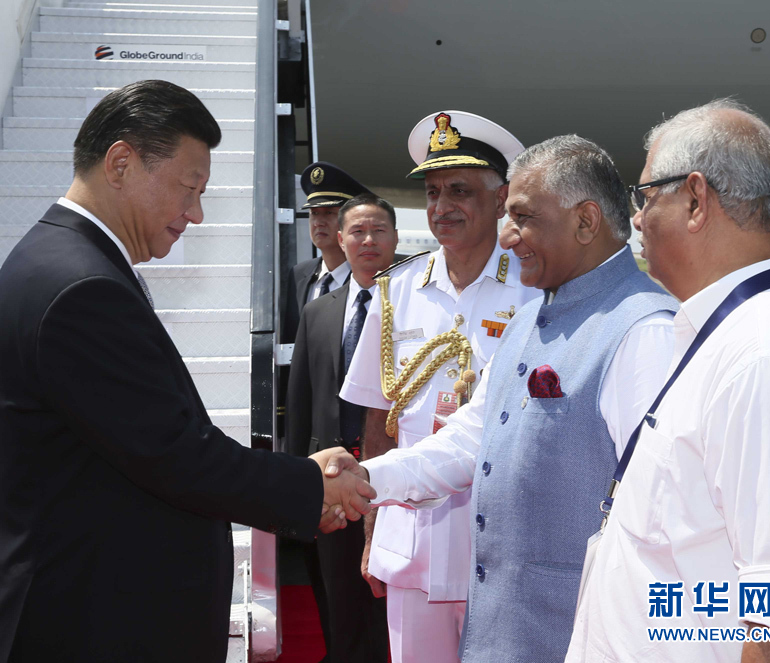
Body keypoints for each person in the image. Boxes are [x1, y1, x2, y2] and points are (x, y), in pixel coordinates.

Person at [0, 80, 373, 663]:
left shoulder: (70, 262)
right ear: (121, 163)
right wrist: (309, 484)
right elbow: (175, 456)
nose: (197, 214)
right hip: (81, 629)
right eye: (189, 188)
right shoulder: (82, 286)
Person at [349, 135, 679, 662]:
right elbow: (470, 439)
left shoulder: (645, 332)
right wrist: (367, 480)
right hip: (505, 625)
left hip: (581, 631)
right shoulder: (528, 318)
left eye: (523, 217)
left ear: (586, 220)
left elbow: (666, 520)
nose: (507, 237)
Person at [566, 100, 770, 662]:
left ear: (696, 199)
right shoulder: (733, 333)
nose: (638, 220)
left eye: (646, 197)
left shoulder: (764, 354)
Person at [339, 110, 538, 663]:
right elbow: (378, 422)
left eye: (459, 191)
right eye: (431, 193)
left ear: (501, 200)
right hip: (413, 540)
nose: (441, 207)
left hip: (502, 542)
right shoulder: (396, 291)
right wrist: (372, 531)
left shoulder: (535, 287)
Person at [287, 193, 399, 663]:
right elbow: (301, 404)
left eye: (378, 231)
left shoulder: (416, 302)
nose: (367, 240)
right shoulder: (318, 312)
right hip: (334, 487)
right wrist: (297, 488)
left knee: (394, 606)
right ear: (340, 239)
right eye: (357, 231)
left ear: (395, 238)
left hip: (396, 483)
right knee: (339, 607)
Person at [281, 161, 373, 345]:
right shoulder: (299, 275)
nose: (318, 222)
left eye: (329, 212)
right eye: (314, 213)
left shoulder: (369, 278)